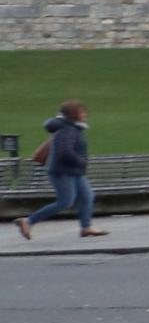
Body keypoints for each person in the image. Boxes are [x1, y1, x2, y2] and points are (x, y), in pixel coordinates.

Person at [16, 101, 106, 242]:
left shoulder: (72, 127)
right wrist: (81, 161)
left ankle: (86, 227)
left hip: (74, 171)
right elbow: (64, 152)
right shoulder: (67, 130)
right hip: (62, 172)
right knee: (65, 202)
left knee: (87, 196)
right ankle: (28, 221)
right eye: (82, 112)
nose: (85, 114)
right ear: (74, 114)